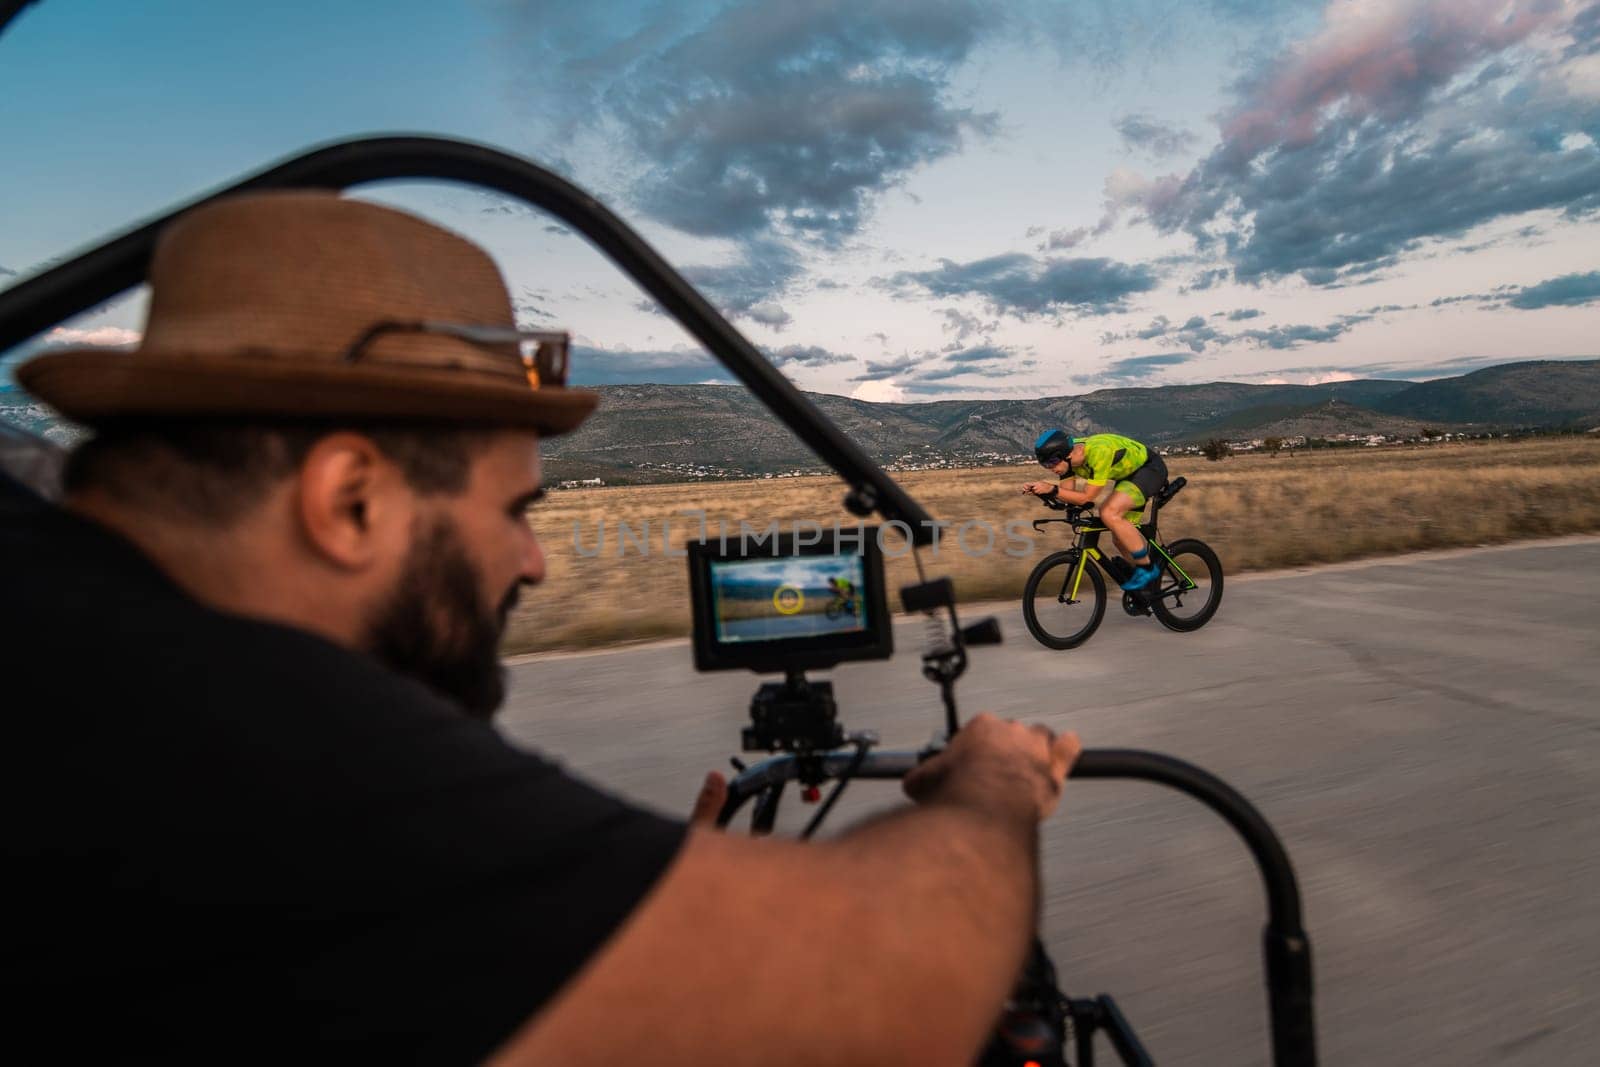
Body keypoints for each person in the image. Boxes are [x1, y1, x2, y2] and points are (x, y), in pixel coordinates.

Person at [2, 191, 1081, 1064]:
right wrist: (993, 782)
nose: (537, 560)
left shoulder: (63, 621)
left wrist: (613, 914)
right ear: (350, 501)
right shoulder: (252, 735)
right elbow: (894, 986)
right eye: (514, 510)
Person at [1022, 428, 1168, 590]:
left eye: (1051, 463)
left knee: (1108, 512)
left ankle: (1147, 569)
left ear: (1066, 455)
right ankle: (1145, 582)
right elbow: (1069, 496)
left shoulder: (1098, 453)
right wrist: (1043, 494)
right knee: (1119, 538)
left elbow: (1086, 497)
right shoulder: (1067, 459)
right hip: (1127, 477)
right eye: (1045, 465)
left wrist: (1052, 489)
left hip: (1149, 470)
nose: (1050, 468)